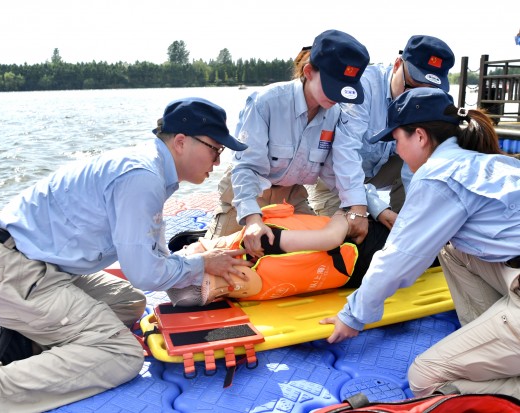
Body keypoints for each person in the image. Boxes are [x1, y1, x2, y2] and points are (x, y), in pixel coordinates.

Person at [0, 98, 253, 413]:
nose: (218, 161)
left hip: (34, 268)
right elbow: (147, 273)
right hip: (10, 275)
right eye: (215, 149)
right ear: (182, 141)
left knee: (130, 302)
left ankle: (23, 336)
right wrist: (202, 264)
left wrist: (193, 262)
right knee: (121, 355)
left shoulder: (149, 166)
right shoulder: (143, 177)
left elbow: (151, 253)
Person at [320, 87, 520, 399]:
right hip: (512, 269)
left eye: (398, 140)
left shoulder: (437, 176)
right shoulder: (492, 163)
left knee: (424, 377)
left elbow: (398, 257)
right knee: (452, 250)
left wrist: (352, 316)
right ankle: (491, 341)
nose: (397, 151)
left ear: (420, 136)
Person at [204, 29, 372, 257]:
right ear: (309, 71)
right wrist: (253, 219)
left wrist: (361, 209)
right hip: (250, 192)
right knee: (218, 261)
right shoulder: (266, 103)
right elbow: (246, 168)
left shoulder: (335, 114)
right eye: (333, 86)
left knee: (319, 257)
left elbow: (340, 172)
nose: (338, 96)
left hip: (292, 196)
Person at [306, 35, 455, 220]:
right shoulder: (362, 87)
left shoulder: (426, 101)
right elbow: (344, 152)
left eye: (428, 91)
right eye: (413, 86)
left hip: (378, 171)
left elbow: (416, 167)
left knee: (421, 166)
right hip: (334, 178)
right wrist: (376, 208)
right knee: (345, 238)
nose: (417, 98)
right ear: (397, 64)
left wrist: (416, 221)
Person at [167, 186, 391, 306]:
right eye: (187, 252)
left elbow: (329, 241)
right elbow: (331, 239)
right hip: (365, 253)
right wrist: (346, 214)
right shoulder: (255, 251)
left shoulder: (245, 281)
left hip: (359, 264)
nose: (188, 247)